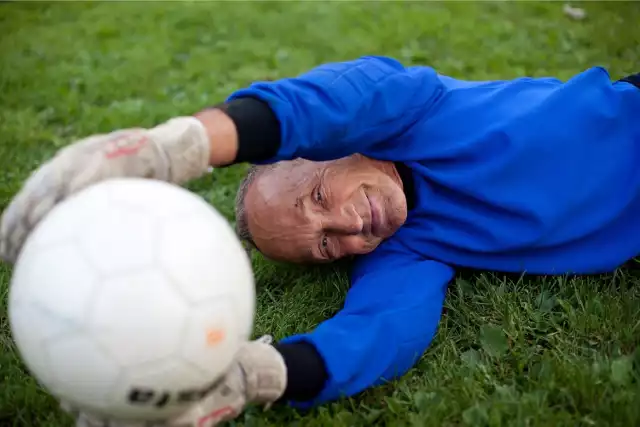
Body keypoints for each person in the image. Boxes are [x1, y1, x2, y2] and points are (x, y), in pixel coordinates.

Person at [1, 56, 639, 427]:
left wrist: (176, 148)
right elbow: (383, 330)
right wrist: (259, 376)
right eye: (326, 249)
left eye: (316, 200)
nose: (345, 230)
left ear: (331, 153)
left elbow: (330, 101)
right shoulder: (409, 251)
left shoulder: (418, 110)